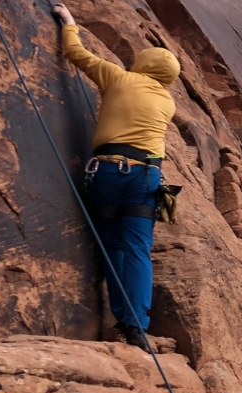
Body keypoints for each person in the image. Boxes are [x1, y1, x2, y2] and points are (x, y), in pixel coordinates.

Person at [52, 3, 179, 349]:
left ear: (144, 63)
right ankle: (135, 325)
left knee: (112, 245)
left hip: (108, 171)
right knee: (138, 250)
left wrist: (69, 22)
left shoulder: (120, 78)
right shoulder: (168, 103)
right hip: (146, 178)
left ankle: (124, 317)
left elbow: (76, 53)